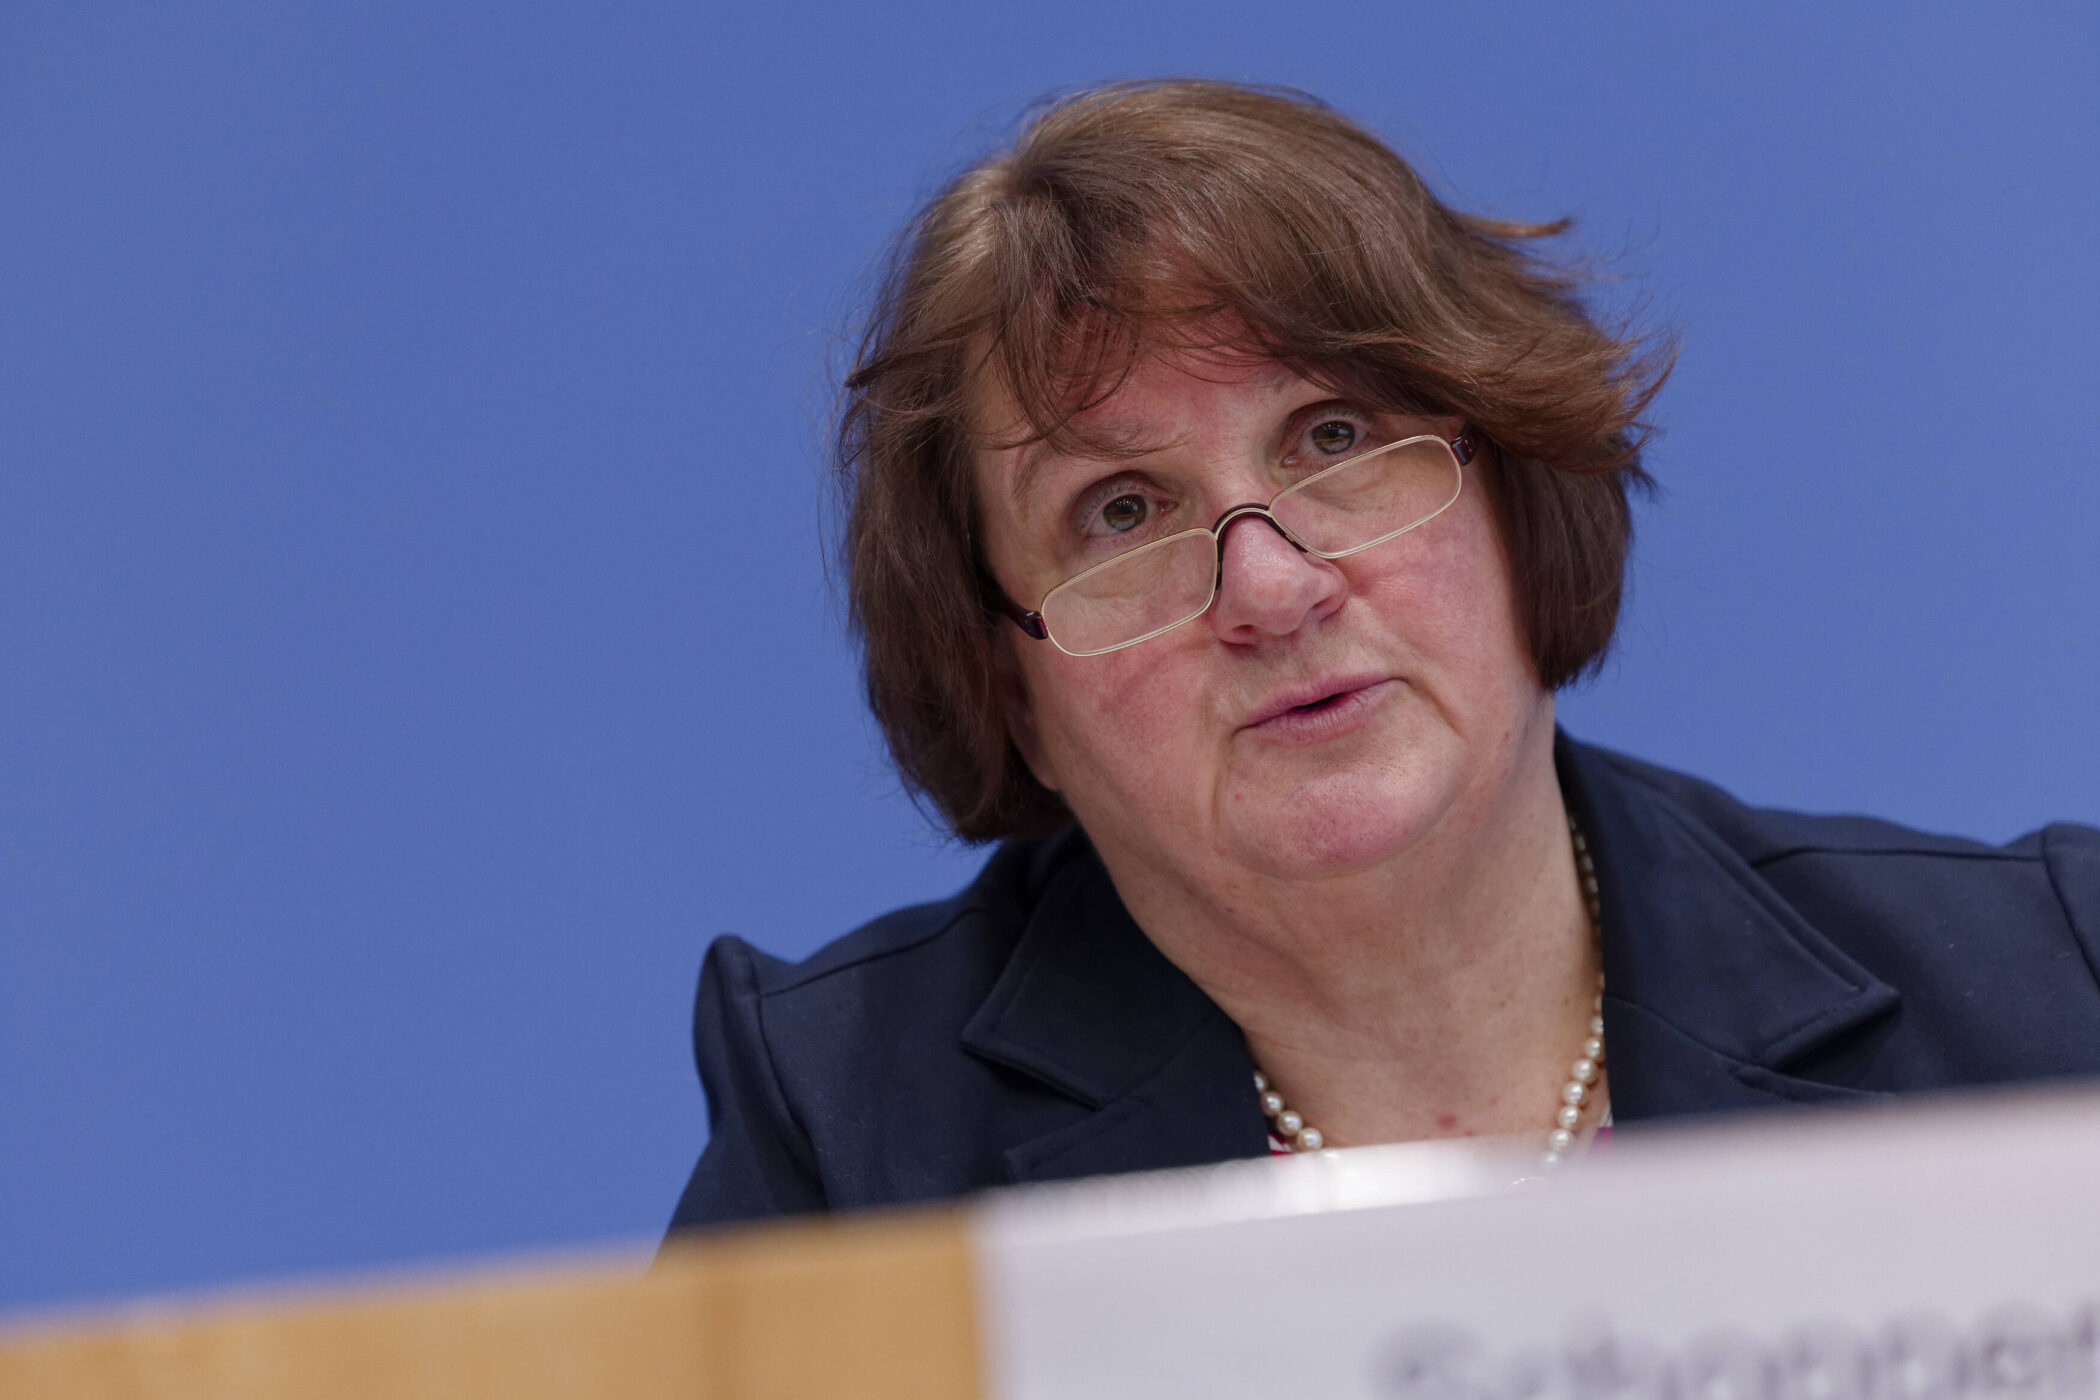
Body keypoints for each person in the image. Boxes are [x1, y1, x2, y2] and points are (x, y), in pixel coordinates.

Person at [667, 80, 2100, 1229]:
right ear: (1007, 683)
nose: (1272, 589)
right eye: (1120, 512)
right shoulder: (853, 1149)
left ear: (1518, 485)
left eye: (1334, 438)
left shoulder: (2048, 995)